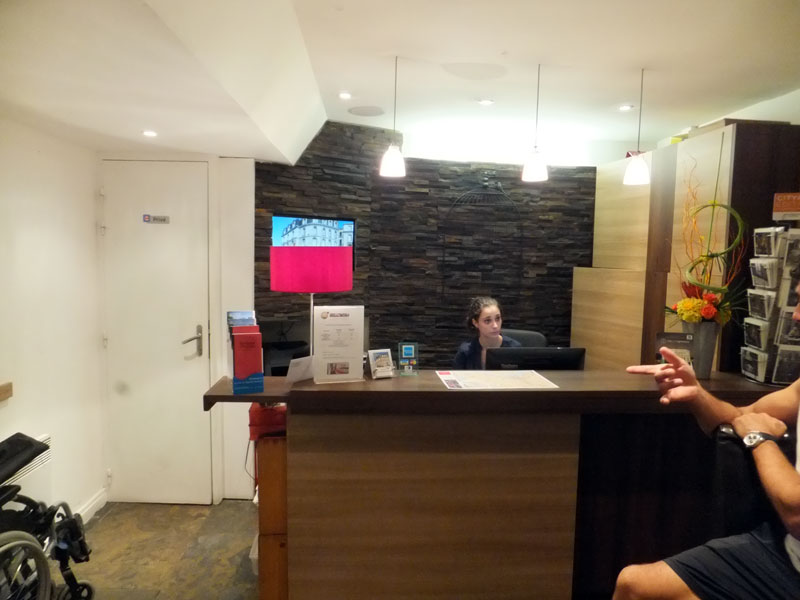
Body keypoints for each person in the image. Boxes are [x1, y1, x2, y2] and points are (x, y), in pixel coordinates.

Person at [614, 284, 800, 599]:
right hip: (786, 553)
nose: (795, 315)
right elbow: (742, 416)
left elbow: (797, 515)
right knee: (635, 586)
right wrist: (696, 394)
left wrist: (760, 439)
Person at [453, 296, 520, 369]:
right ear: (475, 323)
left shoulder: (514, 349)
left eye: (497, 318)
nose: (495, 326)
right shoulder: (465, 351)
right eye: (487, 321)